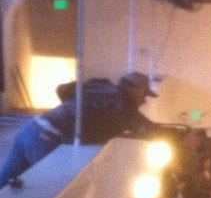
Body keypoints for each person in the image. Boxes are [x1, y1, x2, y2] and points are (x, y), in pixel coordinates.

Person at [0, 71, 158, 189]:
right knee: (56, 192)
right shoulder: (121, 103)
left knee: (5, 181)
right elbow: (142, 126)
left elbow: (62, 89)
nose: (144, 100)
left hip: (31, 128)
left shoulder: (100, 86)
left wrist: (77, 110)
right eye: (144, 94)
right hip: (46, 139)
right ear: (133, 89)